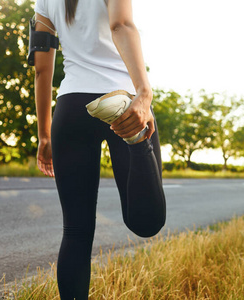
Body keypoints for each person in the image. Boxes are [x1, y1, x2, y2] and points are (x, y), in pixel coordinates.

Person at [31, 0, 166, 298]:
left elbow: (42, 69)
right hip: (122, 102)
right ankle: (135, 140)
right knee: (147, 223)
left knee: (76, 233)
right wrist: (144, 93)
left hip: (71, 108)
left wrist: (44, 135)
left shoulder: (44, 1)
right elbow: (122, 25)